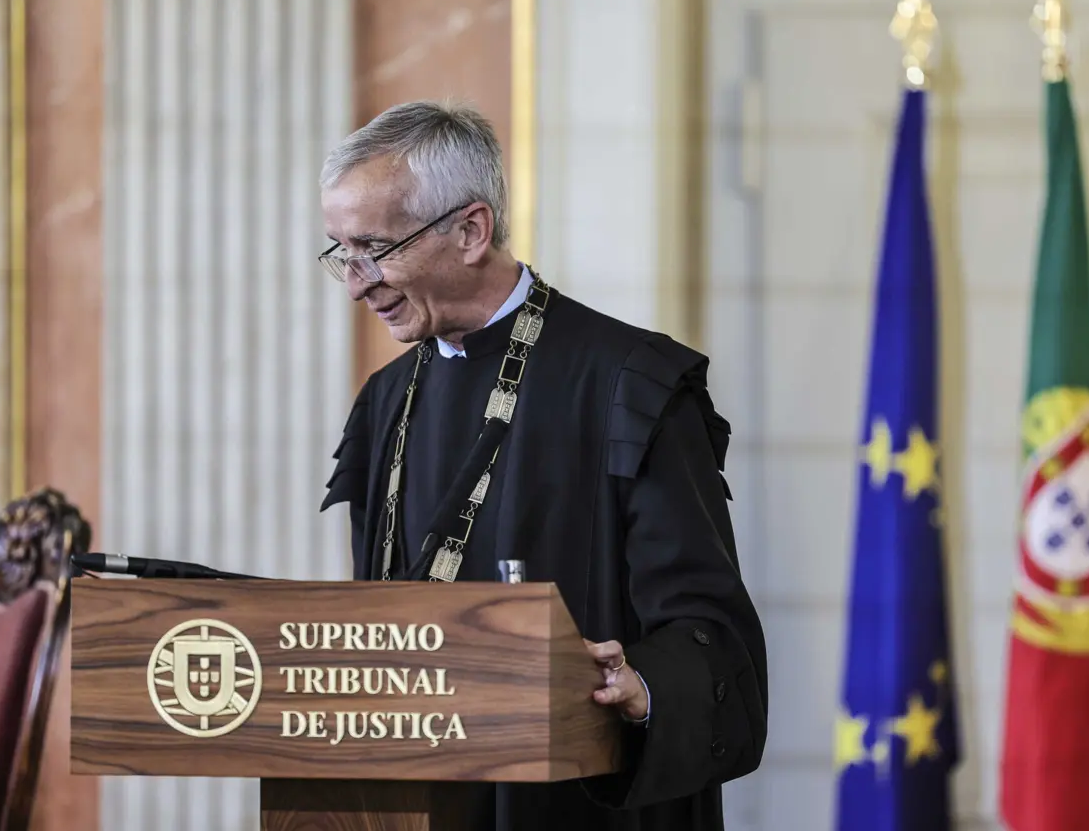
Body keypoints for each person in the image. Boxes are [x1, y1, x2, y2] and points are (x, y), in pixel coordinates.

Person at [319, 100, 767, 831]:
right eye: (340, 252)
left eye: (374, 248)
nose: (355, 282)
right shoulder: (386, 401)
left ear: (471, 230)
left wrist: (641, 683)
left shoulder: (629, 383)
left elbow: (710, 632)